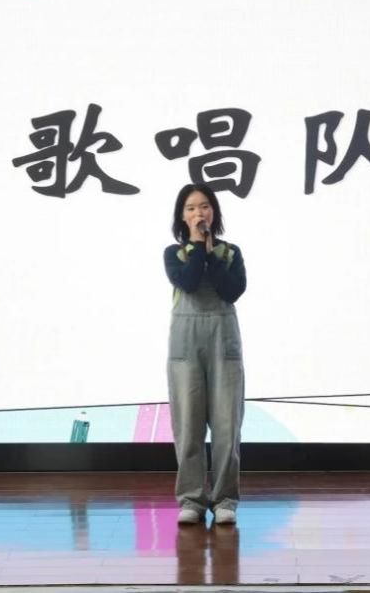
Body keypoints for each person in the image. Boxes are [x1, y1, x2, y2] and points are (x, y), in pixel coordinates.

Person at [163, 183, 248, 525]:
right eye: (191, 208)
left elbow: (232, 290)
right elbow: (188, 281)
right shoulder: (174, 253)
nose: (199, 213)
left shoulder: (231, 253)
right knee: (188, 422)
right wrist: (198, 246)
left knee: (227, 424)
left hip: (223, 338)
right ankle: (192, 499)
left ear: (214, 212)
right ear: (182, 217)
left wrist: (212, 251)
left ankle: (225, 499)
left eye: (204, 206)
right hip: (186, 342)